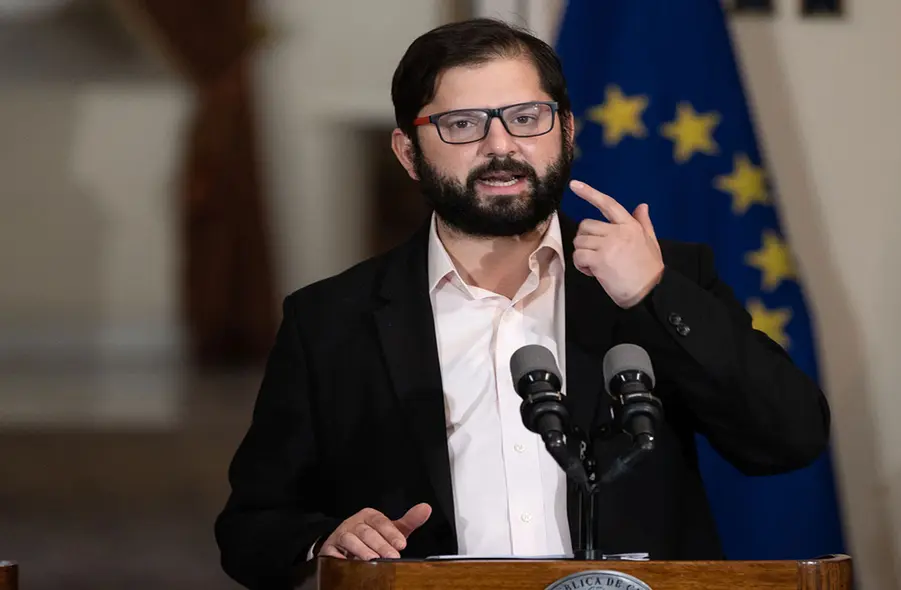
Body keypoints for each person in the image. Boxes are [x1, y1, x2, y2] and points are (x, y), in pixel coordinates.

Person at [214, 17, 831, 590]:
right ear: (408, 153)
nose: (501, 146)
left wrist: (654, 293)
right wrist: (327, 540)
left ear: (566, 131)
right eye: (463, 124)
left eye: (527, 117)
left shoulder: (662, 280)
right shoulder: (330, 319)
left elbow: (790, 439)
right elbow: (251, 529)